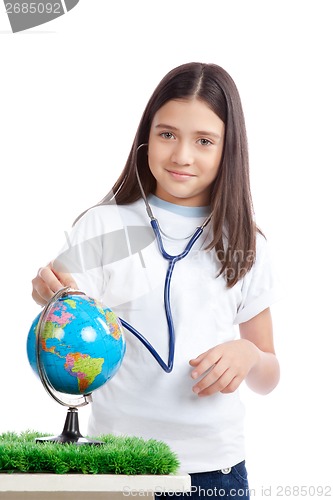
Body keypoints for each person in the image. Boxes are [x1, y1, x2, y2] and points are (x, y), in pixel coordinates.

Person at [31, 62, 280, 499]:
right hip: (118, 464)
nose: (182, 155)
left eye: (204, 141)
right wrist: (48, 292)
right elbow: (62, 301)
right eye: (167, 134)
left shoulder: (244, 243)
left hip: (214, 472)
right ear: (146, 136)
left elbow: (268, 374)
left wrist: (249, 354)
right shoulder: (104, 227)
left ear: (229, 149)